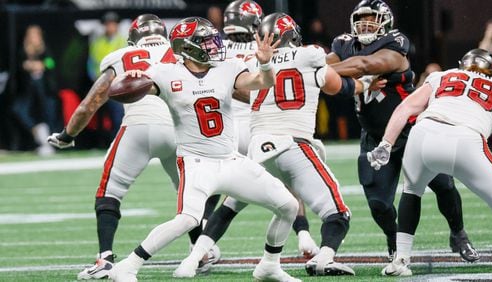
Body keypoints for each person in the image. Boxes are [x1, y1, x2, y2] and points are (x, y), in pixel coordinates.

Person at [175, 12, 379, 278]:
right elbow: (337, 87)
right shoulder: (311, 54)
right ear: (291, 35)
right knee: (338, 213)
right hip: (293, 143)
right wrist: (365, 83)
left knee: (230, 206)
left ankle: (192, 259)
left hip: (258, 147)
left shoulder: (253, 61)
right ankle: (324, 257)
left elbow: (240, 89)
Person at [108, 17, 300, 282]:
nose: (214, 46)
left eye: (214, 40)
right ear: (187, 47)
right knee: (188, 219)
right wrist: (132, 77)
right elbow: (138, 86)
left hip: (231, 160)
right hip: (196, 162)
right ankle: (128, 265)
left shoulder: (228, 67)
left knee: (288, 205)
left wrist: (266, 63)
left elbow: (262, 82)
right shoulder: (165, 73)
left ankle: (269, 265)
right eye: (206, 41)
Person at [47, 14, 219, 280]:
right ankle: (200, 253)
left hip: (137, 127)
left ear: (133, 38)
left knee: (109, 191)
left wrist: (68, 135)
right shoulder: (181, 51)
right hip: (176, 129)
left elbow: (90, 104)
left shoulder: (122, 55)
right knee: (188, 196)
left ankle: (105, 259)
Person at [326, 0, 479, 262]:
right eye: (361, 19)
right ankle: (393, 238)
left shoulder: (395, 46)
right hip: (374, 136)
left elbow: (364, 65)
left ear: (385, 22)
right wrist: (311, 62)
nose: (366, 24)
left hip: (413, 132)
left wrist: (320, 70)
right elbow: (326, 63)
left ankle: (459, 234)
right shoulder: (343, 44)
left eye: (372, 19)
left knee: (443, 185)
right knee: (379, 205)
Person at [369, 48, 492, 276]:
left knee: (411, 192)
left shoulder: (443, 75)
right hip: (466, 139)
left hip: (422, 134)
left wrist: (386, 144)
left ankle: (400, 260)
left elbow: (405, 108)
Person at [219, 0, 320, 258]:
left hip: (225, 130)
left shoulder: (217, 49)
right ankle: (304, 235)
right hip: (258, 126)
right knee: (289, 181)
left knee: (215, 188)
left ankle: (200, 246)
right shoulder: (267, 47)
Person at [13, 25, 59, 156]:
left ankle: (49, 143)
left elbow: (52, 63)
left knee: (49, 111)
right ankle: (38, 132)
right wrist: (27, 66)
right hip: (28, 90)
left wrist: (42, 64)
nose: (33, 38)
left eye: (35, 35)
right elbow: (19, 66)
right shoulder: (23, 51)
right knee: (19, 109)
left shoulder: (45, 50)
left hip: (45, 89)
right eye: (31, 35)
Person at [87, 11, 127, 144]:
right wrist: (95, 79)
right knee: (97, 115)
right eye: (107, 24)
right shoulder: (98, 42)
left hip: (117, 85)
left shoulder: (123, 41)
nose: (110, 27)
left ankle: (117, 143)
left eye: (112, 24)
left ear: (117, 25)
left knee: (117, 115)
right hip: (100, 84)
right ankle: (100, 143)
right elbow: (91, 63)